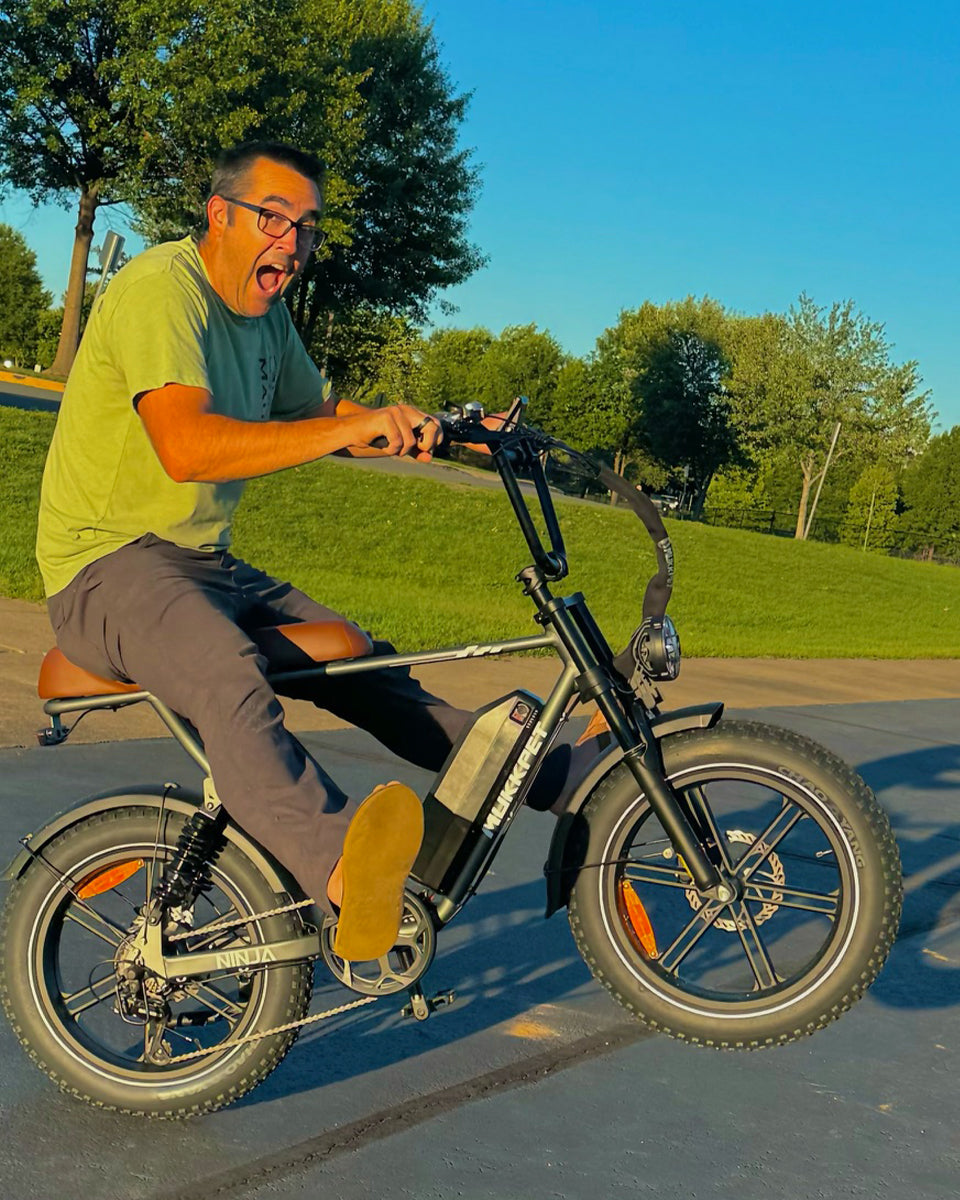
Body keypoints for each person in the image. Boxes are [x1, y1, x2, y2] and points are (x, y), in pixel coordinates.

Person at [36, 140, 578, 963]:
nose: (291, 243)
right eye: (274, 218)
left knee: (361, 659)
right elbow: (187, 447)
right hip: (105, 565)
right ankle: (346, 875)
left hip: (203, 566)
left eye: (307, 227)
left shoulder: (266, 320)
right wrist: (344, 430)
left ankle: (556, 777)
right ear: (219, 215)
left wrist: (442, 430)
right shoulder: (161, 290)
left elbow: (320, 412)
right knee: (228, 674)